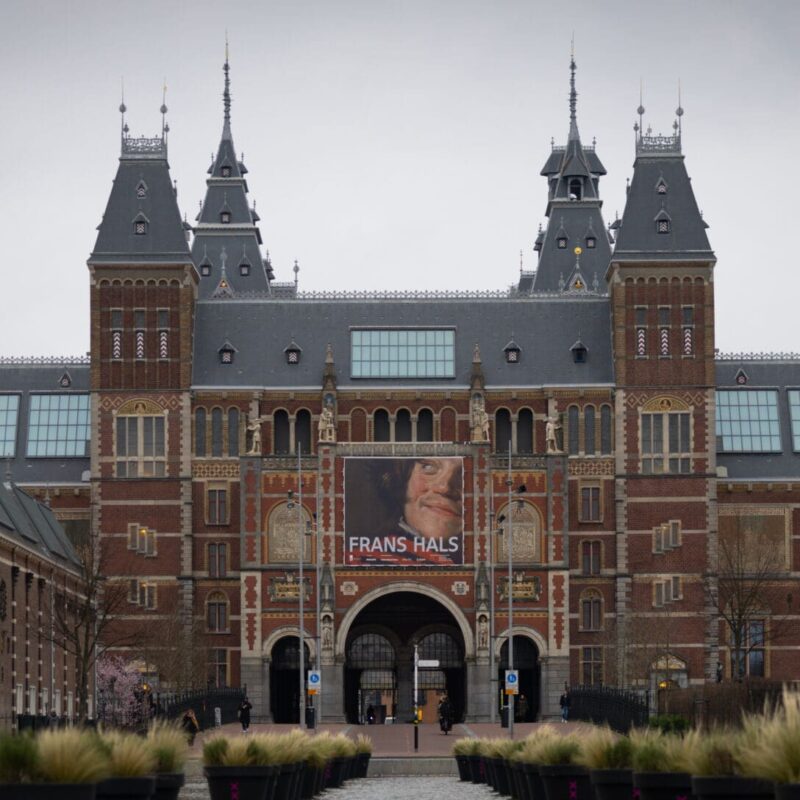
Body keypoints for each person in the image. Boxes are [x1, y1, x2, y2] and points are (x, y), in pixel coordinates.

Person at [348, 457, 464, 566]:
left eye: (465, 475)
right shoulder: (361, 562)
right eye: (428, 467)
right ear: (401, 476)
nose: (444, 488)